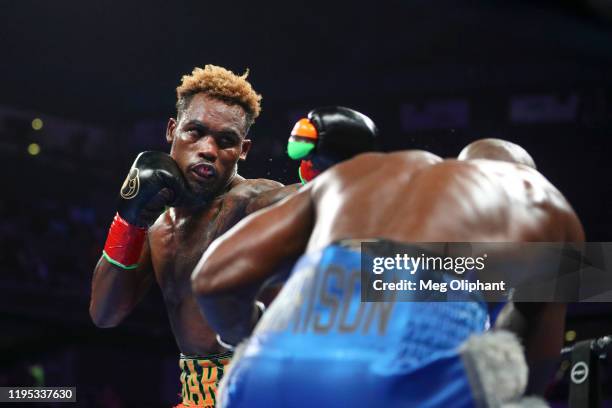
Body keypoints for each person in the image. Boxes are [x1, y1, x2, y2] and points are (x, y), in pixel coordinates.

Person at [191, 146, 584, 407]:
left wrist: (256, 331)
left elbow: (212, 280)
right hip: (405, 377)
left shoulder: (358, 173)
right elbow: (539, 363)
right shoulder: (544, 201)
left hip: (266, 376)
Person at [89, 65, 299, 408]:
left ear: (243, 150)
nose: (208, 149)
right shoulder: (155, 227)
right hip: (196, 398)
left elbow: (319, 211)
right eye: (195, 132)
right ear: (172, 129)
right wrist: (129, 221)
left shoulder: (252, 202)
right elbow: (104, 314)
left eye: (226, 141)